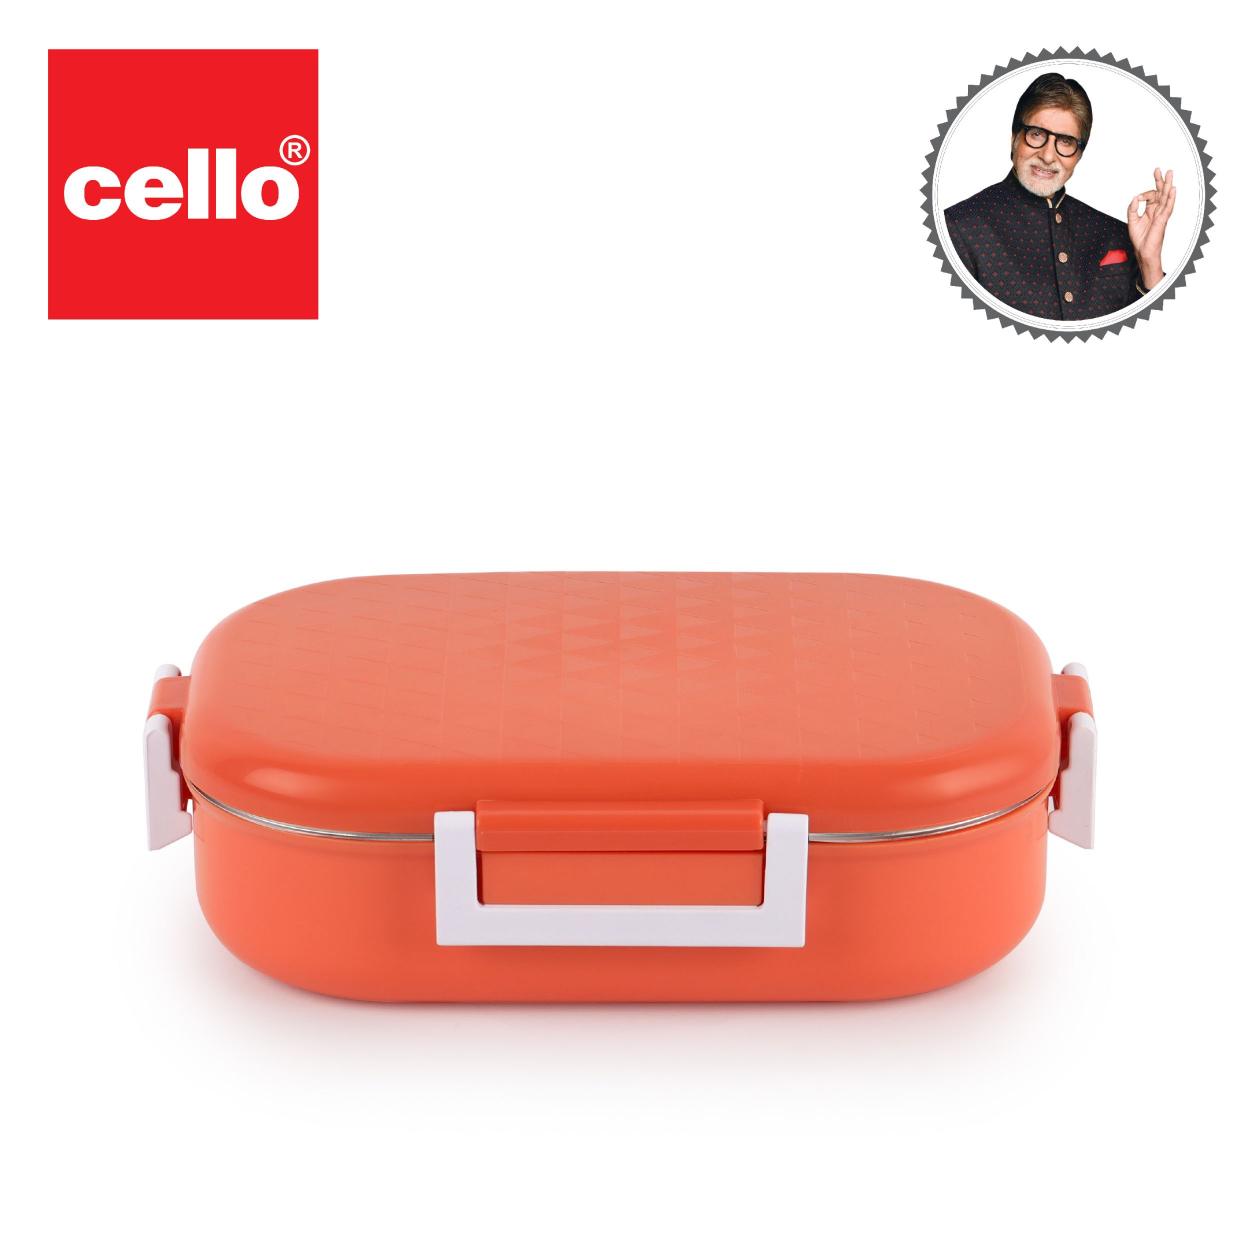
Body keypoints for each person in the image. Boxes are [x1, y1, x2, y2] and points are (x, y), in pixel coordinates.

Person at [944, 72, 1176, 320]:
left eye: (1065, 141)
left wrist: (1150, 263)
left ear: (1079, 155)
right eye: (1036, 134)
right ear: (1014, 138)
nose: (1047, 156)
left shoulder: (1116, 233)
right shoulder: (957, 228)